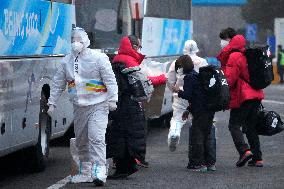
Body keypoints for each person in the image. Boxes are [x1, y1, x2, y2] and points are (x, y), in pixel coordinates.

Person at [47, 27, 118, 186]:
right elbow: (58, 83)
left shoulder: (99, 58)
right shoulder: (67, 61)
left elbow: (110, 79)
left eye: (78, 40)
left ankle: (99, 170)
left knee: (96, 137)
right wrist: (52, 102)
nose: (75, 43)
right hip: (79, 107)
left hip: (99, 105)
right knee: (81, 140)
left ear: (86, 41)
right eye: (72, 40)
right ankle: (85, 172)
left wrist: (113, 99)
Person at [106, 35, 166, 179]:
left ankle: (124, 167)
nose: (140, 49)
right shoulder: (129, 60)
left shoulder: (119, 59)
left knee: (121, 135)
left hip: (121, 103)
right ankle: (126, 167)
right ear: (132, 47)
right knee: (128, 135)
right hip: (128, 104)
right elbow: (142, 82)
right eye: (138, 46)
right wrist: (160, 79)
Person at [217, 27, 264, 167]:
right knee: (251, 127)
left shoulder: (234, 56)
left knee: (234, 124)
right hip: (256, 94)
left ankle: (244, 151)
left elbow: (230, 80)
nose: (221, 42)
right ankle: (258, 158)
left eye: (223, 39)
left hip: (243, 96)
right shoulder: (247, 53)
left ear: (230, 39)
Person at [172, 55, 216, 172]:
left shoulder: (189, 77)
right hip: (208, 110)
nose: (178, 70)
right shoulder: (197, 75)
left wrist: (178, 91)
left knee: (198, 137)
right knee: (207, 136)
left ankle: (198, 164)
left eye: (179, 67)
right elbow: (199, 96)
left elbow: (188, 95)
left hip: (200, 112)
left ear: (183, 66)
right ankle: (210, 163)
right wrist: (189, 110)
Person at [167, 40, 208, 151]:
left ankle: (174, 134)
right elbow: (207, 80)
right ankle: (197, 147)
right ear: (196, 49)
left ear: (184, 49)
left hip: (181, 95)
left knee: (177, 118)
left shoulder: (176, 62)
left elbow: (170, 80)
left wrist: (174, 91)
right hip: (197, 97)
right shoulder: (203, 62)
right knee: (198, 121)